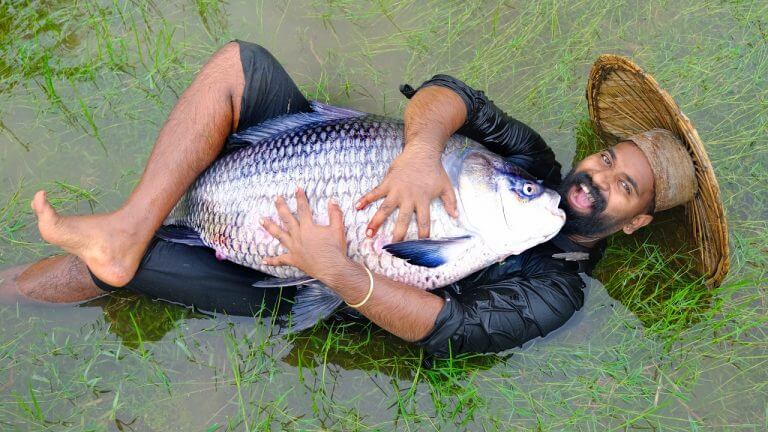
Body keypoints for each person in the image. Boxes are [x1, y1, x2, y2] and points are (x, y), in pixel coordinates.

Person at [0, 42, 727, 357]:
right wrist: (421, 152)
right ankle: (132, 222)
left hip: (320, 274)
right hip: (316, 159)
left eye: (622, 186)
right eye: (607, 158)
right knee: (239, 65)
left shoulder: (555, 292)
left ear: (635, 222)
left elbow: (444, 329)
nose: (595, 177)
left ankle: (15, 287)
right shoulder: (529, 159)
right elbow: (451, 94)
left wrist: (334, 267)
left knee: (131, 269)